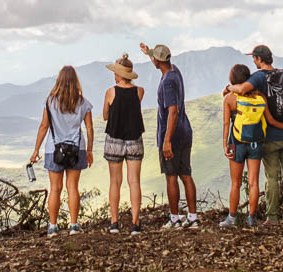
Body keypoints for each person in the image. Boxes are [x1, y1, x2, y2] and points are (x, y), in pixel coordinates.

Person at [224, 44, 283, 223]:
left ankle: (272, 217)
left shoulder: (258, 77)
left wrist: (229, 88)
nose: (253, 61)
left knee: (272, 177)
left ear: (258, 59)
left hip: (269, 137)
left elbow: (241, 90)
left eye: (254, 58)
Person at [139, 41, 199, 229]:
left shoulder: (167, 82)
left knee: (171, 176)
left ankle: (174, 219)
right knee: (186, 174)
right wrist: (148, 51)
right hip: (185, 131)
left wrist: (166, 141)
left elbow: (172, 111)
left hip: (171, 135)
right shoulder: (175, 71)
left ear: (157, 62)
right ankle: (192, 217)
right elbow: (158, 59)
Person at [29, 65, 94, 237]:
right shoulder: (83, 102)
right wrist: (89, 150)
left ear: (59, 80)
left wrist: (36, 150)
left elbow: (44, 126)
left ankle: (52, 227)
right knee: (72, 187)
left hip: (53, 149)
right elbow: (89, 127)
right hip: (76, 149)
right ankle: (73, 225)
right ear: (75, 81)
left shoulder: (50, 101)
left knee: (55, 188)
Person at [102, 53, 145, 235]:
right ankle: (135, 223)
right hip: (134, 139)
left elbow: (105, 115)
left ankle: (114, 222)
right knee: (134, 181)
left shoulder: (110, 92)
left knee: (115, 181)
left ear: (119, 74)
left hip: (114, 139)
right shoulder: (139, 91)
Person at [219, 64, 266, 229]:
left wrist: (225, 144)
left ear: (232, 80)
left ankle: (231, 218)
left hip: (237, 142)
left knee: (235, 183)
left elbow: (226, 124)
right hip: (256, 142)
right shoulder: (259, 96)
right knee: (254, 182)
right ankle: (251, 218)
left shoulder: (230, 99)